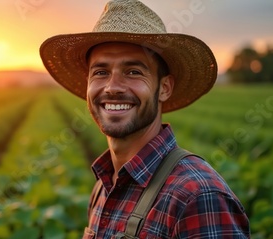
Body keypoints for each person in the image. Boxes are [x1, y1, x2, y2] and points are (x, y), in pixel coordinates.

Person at [39, 0, 250, 238]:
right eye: (100, 72)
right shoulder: (102, 188)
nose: (112, 87)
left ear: (164, 88)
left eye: (133, 72)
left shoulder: (198, 196)